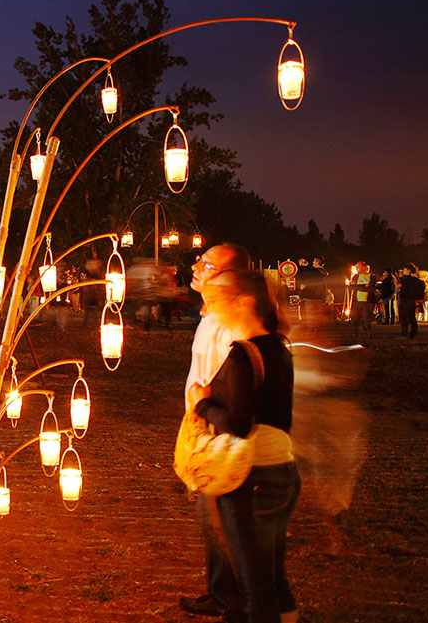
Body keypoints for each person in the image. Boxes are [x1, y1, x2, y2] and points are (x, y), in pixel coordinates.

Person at [194, 269, 300, 623]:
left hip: (250, 477)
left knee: (254, 588)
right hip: (282, 469)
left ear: (245, 302)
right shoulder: (278, 347)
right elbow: (280, 416)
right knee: (273, 578)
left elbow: (238, 425)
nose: (213, 308)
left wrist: (202, 402)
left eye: (221, 299)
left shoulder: (243, 353)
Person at [179, 243, 253, 621]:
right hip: (204, 425)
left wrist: (207, 412)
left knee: (224, 521)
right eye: (199, 259)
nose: (196, 265)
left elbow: (234, 383)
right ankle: (221, 592)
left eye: (207, 263)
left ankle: (236, 604)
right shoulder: (212, 316)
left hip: (219, 430)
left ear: (228, 276)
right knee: (212, 519)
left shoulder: (230, 324)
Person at [347, 262, 376, 345]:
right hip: (356, 302)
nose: (357, 269)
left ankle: (367, 339)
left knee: (366, 322)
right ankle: (353, 339)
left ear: (364, 267)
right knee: (354, 321)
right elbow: (351, 287)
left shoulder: (372, 276)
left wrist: (358, 286)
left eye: (358, 267)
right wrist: (363, 286)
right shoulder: (356, 276)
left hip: (367, 302)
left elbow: (371, 288)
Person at [397, 263, 425, 339]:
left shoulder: (405, 279)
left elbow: (398, 286)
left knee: (404, 318)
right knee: (412, 317)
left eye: (404, 269)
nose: (403, 271)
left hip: (404, 300)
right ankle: (413, 333)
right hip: (412, 300)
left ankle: (404, 334)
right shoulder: (416, 280)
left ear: (408, 270)